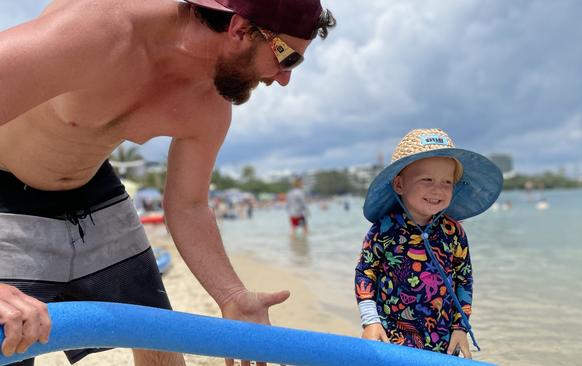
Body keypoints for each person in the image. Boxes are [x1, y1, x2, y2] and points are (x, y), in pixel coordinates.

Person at [0, 0, 335, 365]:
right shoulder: (97, 32)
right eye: (288, 57)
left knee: (160, 342)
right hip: (6, 190)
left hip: (92, 187)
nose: (285, 78)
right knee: (13, 338)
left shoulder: (209, 104)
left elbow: (189, 205)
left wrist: (232, 295)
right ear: (240, 29)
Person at [355, 128, 502, 358]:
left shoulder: (454, 233)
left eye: (447, 182)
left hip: (442, 342)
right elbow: (366, 273)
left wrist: (460, 327)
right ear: (400, 184)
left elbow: (464, 280)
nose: (438, 189)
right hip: (393, 337)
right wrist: (370, 322)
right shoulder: (384, 229)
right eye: (427, 179)